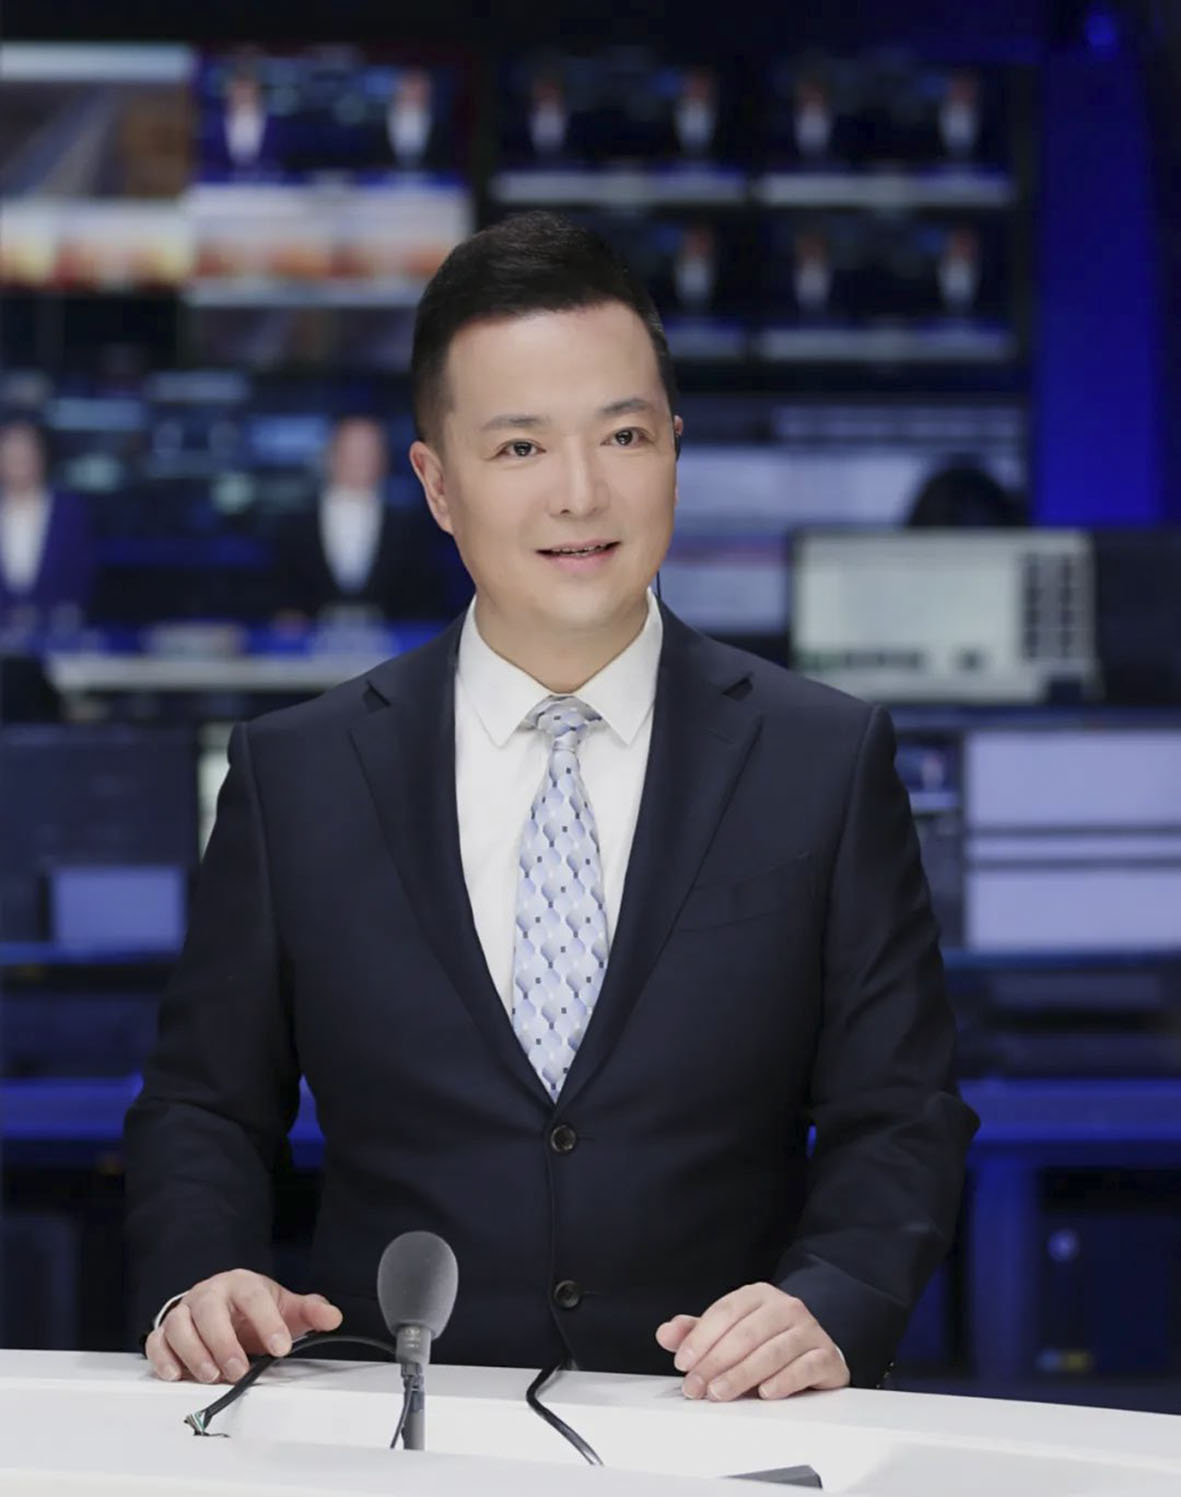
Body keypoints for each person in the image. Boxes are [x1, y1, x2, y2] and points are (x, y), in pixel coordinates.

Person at [126, 210, 977, 1401]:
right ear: (436, 484)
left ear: (673, 448)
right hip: (388, 1431)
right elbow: (203, 1106)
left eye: (622, 435)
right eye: (520, 447)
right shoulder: (296, 774)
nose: (580, 494)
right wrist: (202, 1277)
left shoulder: (821, 759)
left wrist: (831, 1300)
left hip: (719, 1425)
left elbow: (901, 1112)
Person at [271, 414, 449, 624]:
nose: (361, 461)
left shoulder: (411, 526)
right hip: (306, 642)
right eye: (352, 452)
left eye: (369, 451)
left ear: (384, 457)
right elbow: (279, 589)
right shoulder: (294, 525)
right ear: (331, 455)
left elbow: (425, 595)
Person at [0, 415, 93, 633]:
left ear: (41, 456)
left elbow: (82, 574)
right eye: (10, 452)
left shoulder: (69, 511)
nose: (18, 460)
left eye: (26, 452)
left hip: (57, 634)